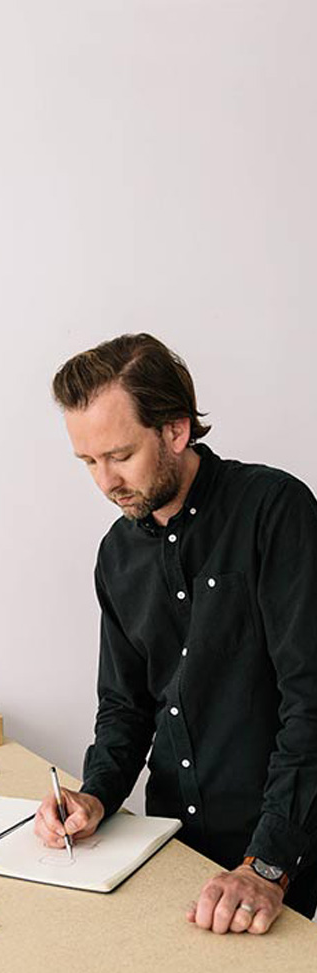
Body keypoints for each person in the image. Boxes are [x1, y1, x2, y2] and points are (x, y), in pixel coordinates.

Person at [34, 333, 317, 934]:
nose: (105, 481)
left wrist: (266, 865)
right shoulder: (116, 555)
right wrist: (96, 797)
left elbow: (311, 702)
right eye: (88, 462)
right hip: (173, 850)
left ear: (175, 431)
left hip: (280, 858)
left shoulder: (275, 510)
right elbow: (125, 707)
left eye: (119, 455)